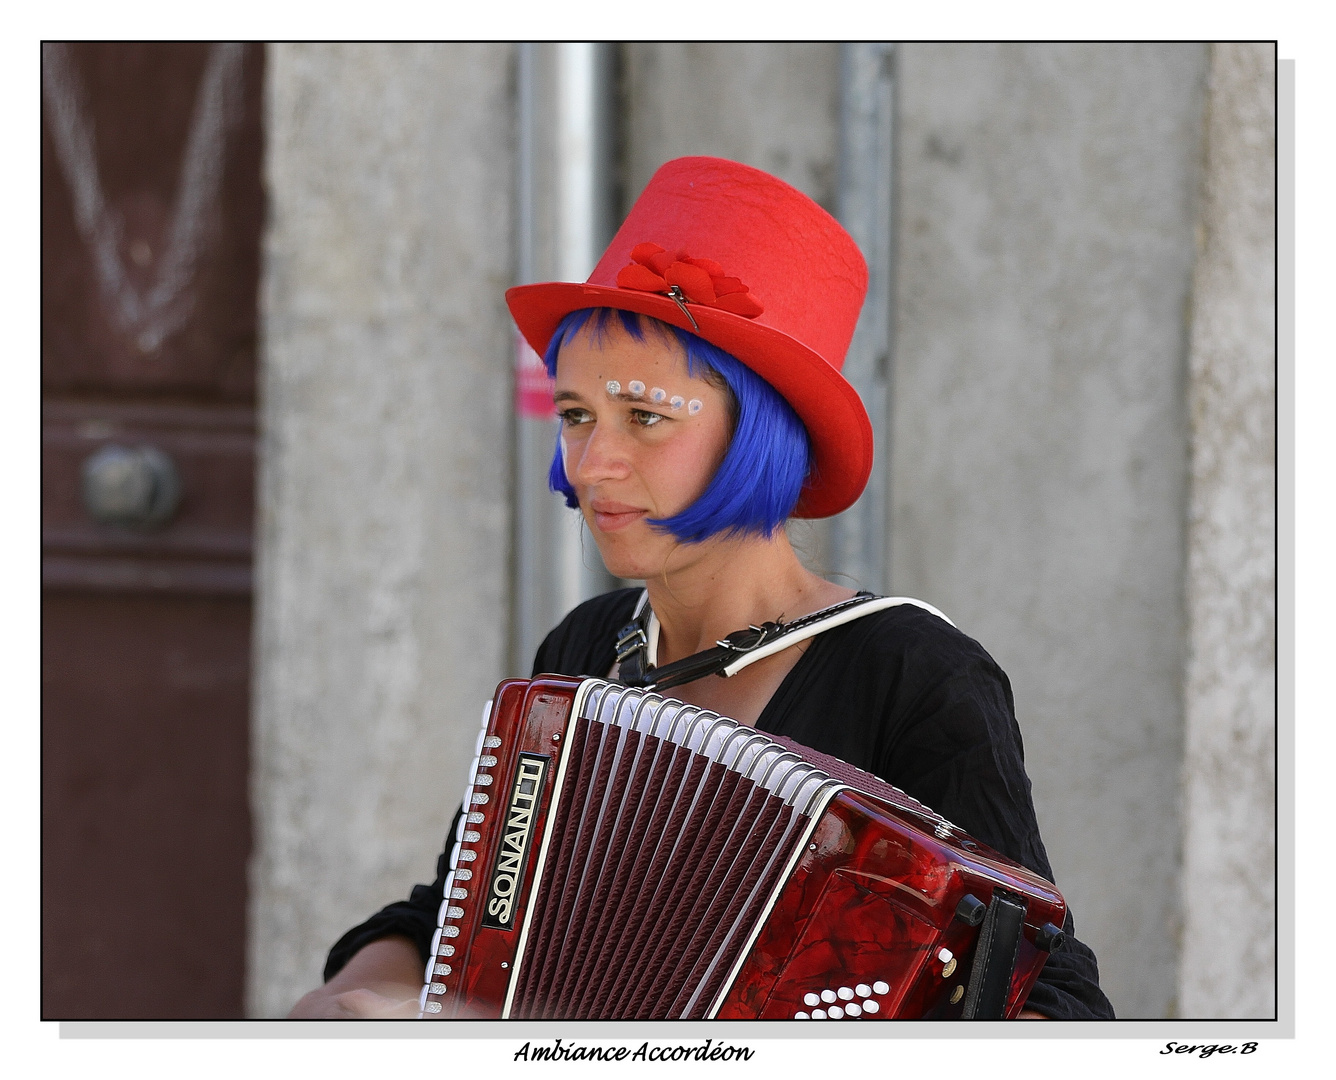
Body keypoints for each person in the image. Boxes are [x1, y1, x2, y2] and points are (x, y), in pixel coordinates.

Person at [290, 156, 1115, 1020]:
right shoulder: (583, 653)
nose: (594, 463)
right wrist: (346, 1001)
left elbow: (1057, 1001)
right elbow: (462, 916)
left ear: (756, 433)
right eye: (576, 414)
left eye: (645, 416)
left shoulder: (915, 678)